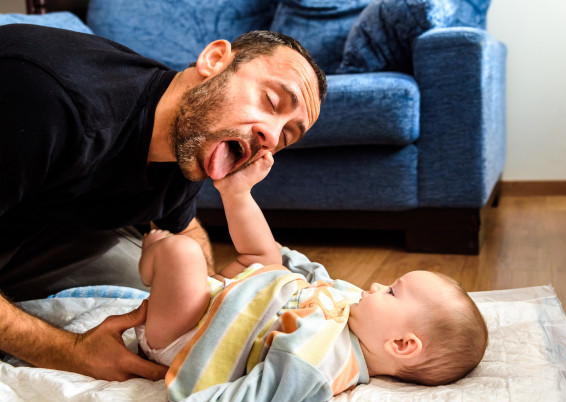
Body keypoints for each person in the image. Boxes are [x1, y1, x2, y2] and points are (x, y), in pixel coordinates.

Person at [0, 23, 327, 382]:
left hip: (36, 223)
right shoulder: (49, 101)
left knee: (154, 282)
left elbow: (185, 228)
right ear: (214, 59)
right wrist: (69, 350)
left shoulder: (188, 140)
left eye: (285, 138)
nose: (271, 137)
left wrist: (206, 314)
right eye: (271, 101)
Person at [136, 153, 488, 402]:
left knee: (183, 252)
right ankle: (236, 192)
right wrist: (284, 259)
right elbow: (317, 278)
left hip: (188, 333)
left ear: (400, 344)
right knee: (268, 254)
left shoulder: (320, 362)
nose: (379, 284)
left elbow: (250, 399)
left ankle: (152, 260)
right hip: (231, 296)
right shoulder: (356, 310)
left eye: (393, 291)